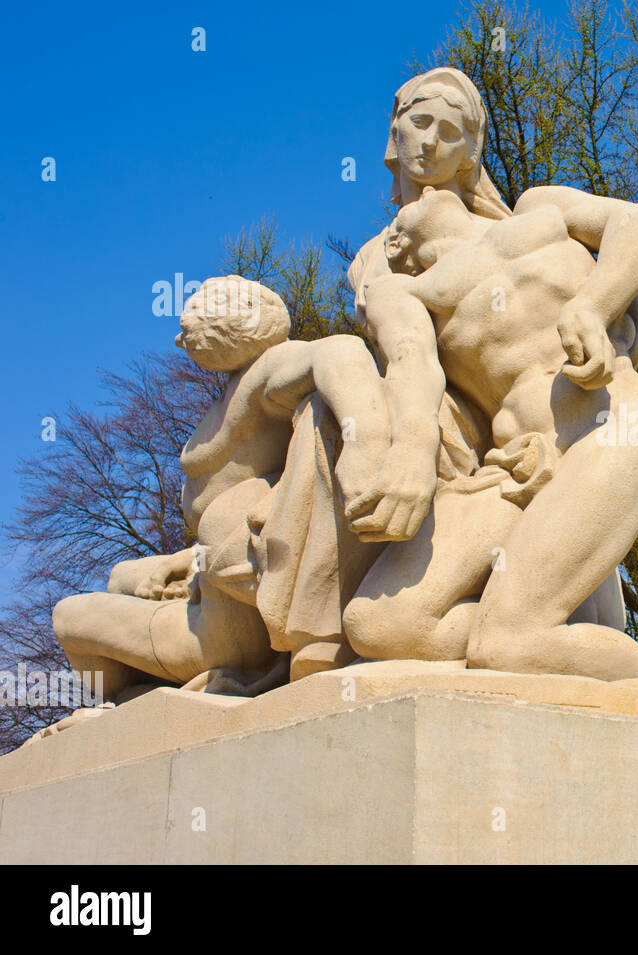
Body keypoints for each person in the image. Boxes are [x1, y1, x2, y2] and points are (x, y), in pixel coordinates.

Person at [341, 67, 638, 683]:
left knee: (507, 644)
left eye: (451, 131)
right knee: (379, 627)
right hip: (508, 468)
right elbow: (412, 364)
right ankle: (531, 638)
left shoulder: (539, 212)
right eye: (419, 123)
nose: (431, 142)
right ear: (393, 135)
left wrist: (593, 303)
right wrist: (411, 449)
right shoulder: (399, 284)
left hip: (601, 428)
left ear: (471, 153)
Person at [54, 277, 391, 698]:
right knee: (123, 575)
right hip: (215, 588)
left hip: (231, 627)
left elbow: (339, 351)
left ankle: (120, 708)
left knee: (69, 616)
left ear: (238, 316)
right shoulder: (240, 385)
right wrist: (186, 558)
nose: (181, 338)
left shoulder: (271, 366)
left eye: (193, 318)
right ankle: (134, 704)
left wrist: (366, 443)